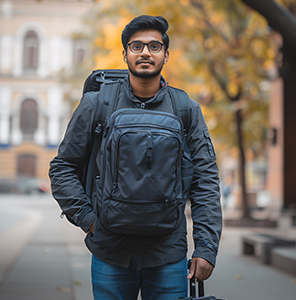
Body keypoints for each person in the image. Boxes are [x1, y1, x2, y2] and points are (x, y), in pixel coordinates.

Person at [49, 15, 222, 300]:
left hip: (168, 253)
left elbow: (205, 180)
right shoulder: (97, 104)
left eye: (154, 46)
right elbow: (62, 168)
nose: (145, 52)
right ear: (125, 54)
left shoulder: (185, 109)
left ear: (166, 55)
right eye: (136, 46)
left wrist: (206, 248)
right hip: (110, 252)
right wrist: (91, 221)